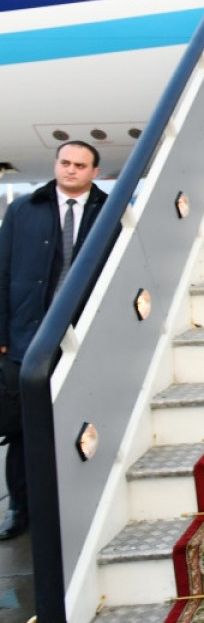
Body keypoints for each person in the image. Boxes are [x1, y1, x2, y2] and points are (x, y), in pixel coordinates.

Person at [0, 141, 107, 540]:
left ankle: (80, 506)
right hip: (26, 339)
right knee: (23, 430)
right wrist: (2, 335)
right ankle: (20, 509)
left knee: (82, 421)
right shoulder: (22, 210)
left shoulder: (110, 211)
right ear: (56, 164)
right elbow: (2, 271)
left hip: (81, 337)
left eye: (80, 165)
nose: (71, 170)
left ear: (94, 172)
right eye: (65, 162)